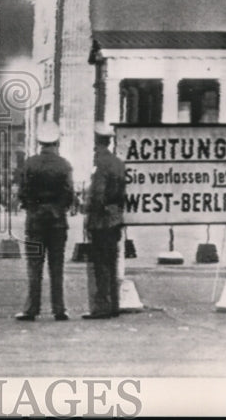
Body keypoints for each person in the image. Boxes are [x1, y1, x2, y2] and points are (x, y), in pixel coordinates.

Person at [14, 121, 75, 321]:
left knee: (34, 266)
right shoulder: (64, 165)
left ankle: (32, 308)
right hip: (57, 222)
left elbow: (22, 192)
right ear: (56, 142)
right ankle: (59, 309)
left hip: (35, 221)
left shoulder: (30, 164)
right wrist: (59, 208)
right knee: (57, 267)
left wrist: (32, 207)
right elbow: (69, 194)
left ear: (40, 142)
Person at [83, 122, 127, 319]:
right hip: (115, 218)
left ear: (96, 143)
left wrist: (90, 217)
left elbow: (98, 193)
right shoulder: (118, 162)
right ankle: (114, 304)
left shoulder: (100, 163)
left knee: (100, 264)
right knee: (112, 262)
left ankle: (102, 307)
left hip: (101, 221)